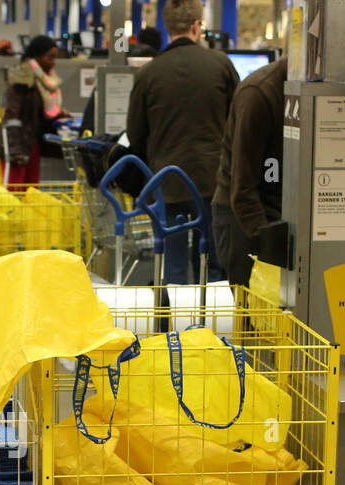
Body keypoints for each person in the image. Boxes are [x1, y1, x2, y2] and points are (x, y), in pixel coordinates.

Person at [212, 23, 345, 286]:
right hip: (244, 217)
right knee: (253, 320)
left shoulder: (325, 96)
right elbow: (242, 189)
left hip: (286, 215)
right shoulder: (258, 95)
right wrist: (267, 244)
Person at [125, 0, 238, 283]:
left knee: (173, 268)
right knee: (214, 266)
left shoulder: (148, 73)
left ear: (166, 26)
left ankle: (175, 325)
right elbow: (239, 122)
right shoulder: (221, 64)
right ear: (197, 26)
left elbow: (135, 133)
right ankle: (212, 324)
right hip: (214, 183)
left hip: (166, 182)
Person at [0, 35, 69, 187]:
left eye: (55, 58)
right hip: (17, 146)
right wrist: (16, 153)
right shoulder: (22, 80)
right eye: (50, 57)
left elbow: (38, 113)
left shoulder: (44, 81)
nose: (53, 62)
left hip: (32, 144)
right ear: (37, 56)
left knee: (31, 192)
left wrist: (58, 114)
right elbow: (12, 117)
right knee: (15, 193)